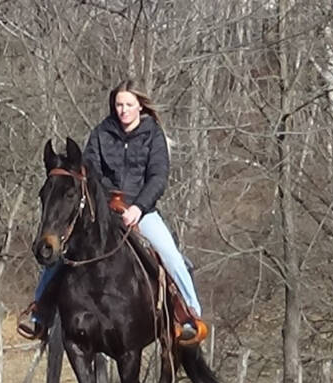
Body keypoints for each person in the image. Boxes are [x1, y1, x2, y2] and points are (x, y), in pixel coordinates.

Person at [18, 79, 207, 343]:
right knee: (62, 251)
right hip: (104, 209)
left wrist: (138, 207)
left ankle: (190, 316)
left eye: (128, 104)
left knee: (171, 257)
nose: (123, 110)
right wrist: (105, 201)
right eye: (119, 104)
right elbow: (90, 172)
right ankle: (39, 314)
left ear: (140, 106)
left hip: (142, 211)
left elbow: (157, 177)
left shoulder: (153, 136)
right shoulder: (101, 133)